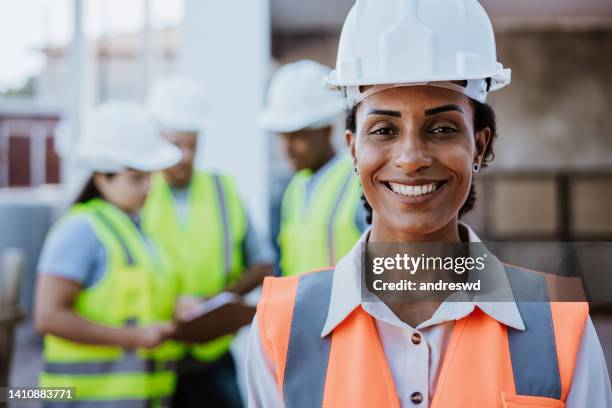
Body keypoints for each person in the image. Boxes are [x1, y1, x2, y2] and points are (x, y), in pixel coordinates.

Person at [246, 1, 612, 407]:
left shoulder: (559, 323)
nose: (411, 157)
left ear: (480, 145)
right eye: (384, 129)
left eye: (442, 128)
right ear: (353, 150)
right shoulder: (279, 327)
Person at [35, 101, 183, 407]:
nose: (148, 188)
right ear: (102, 178)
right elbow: (49, 316)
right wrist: (135, 338)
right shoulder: (80, 229)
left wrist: (179, 307)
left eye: (150, 176)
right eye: (135, 178)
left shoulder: (135, 229)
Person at [143, 77, 273, 408]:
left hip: (210, 356)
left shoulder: (222, 190)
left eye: (192, 145)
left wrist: (217, 303)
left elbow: (261, 263)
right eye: (175, 145)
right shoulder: (137, 193)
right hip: (151, 352)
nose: (184, 156)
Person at [259, 60, 368, 277]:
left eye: (298, 136)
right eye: (283, 137)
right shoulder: (295, 188)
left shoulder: (358, 181)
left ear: (326, 131)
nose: (287, 148)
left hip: (349, 311)